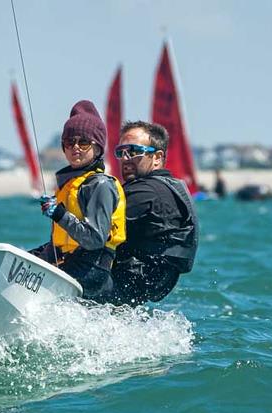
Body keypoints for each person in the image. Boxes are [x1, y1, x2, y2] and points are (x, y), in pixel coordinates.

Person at [31, 100, 126, 300]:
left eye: (84, 142)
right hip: (69, 263)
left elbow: (94, 240)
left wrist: (59, 214)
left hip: (92, 269)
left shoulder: (100, 185)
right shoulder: (70, 184)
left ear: (98, 148)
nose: (76, 148)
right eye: (69, 142)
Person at [104, 121, 198, 306]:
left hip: (123, 284)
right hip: (139, 289)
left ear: (157, 157)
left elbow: (94, 230)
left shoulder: (146, 192)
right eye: (121, 152)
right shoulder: (167, 187)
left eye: (133, 151)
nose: (125, 158)